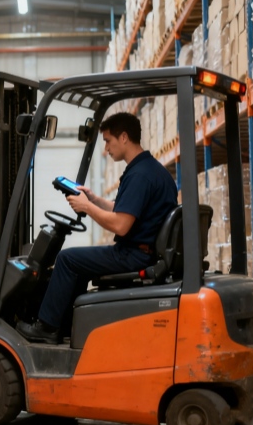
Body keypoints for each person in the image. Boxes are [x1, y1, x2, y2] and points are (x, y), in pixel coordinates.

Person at [16, 112, 178, 344]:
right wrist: (93, 200)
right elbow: (126, 210)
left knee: (66, 259)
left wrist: (87, 208)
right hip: (143, 252)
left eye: (108, 141)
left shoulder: (140, 175)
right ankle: (66, 326)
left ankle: (47, 327)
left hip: (133, 255)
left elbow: (121, 226)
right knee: (78, 265)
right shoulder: (152, 170)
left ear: (123, 137)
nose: (106, 148)